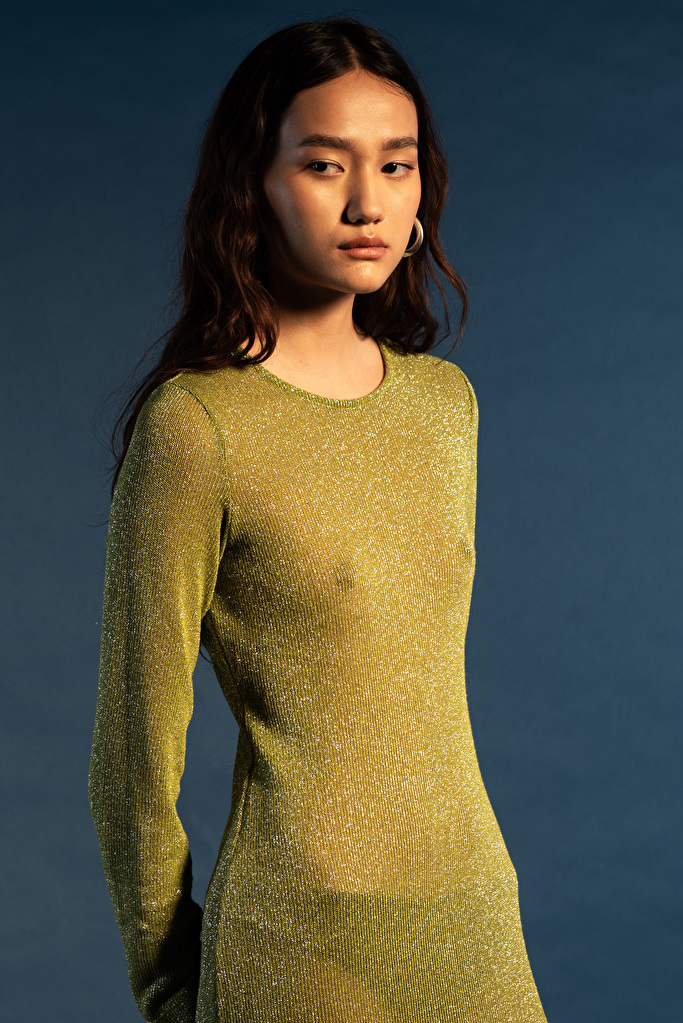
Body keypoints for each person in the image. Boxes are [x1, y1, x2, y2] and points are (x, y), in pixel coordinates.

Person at [88, 17, 549, 1023]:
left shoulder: (445, 408)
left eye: (394, 165)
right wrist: (169, 988)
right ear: (251, 181)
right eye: (323, 165)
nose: (365, 202)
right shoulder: (197, 425)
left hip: (474, 911)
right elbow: (131, 758)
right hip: (299, 938)